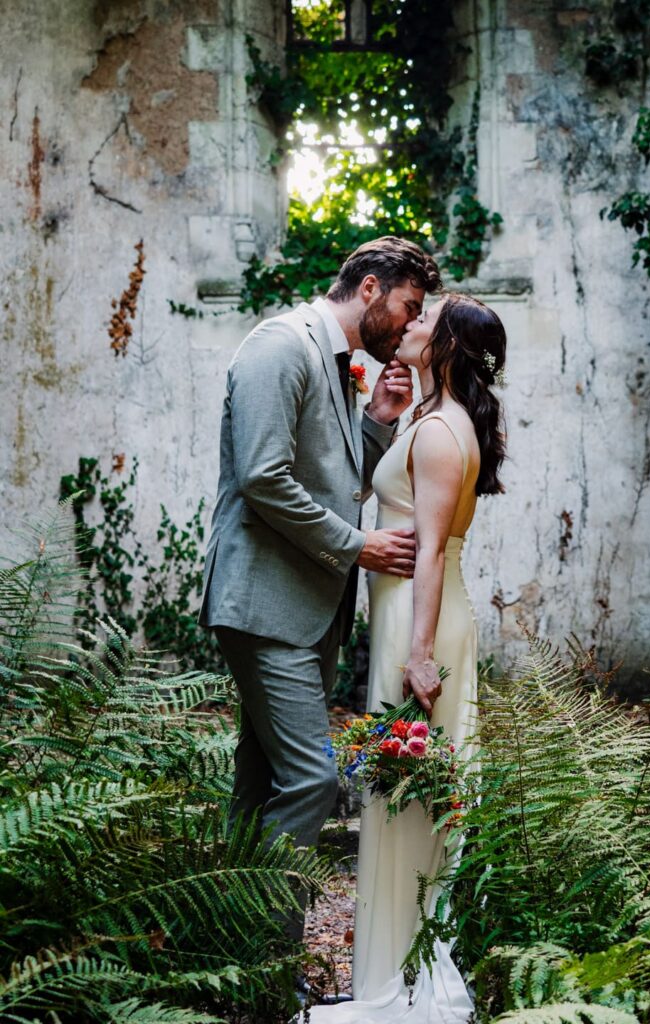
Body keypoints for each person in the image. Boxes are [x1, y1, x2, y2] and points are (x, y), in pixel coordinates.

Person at [198, 237, 442, 956]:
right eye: (407, 306)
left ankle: (223, 958)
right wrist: (358, 546)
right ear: (369, 288)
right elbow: (264, 478)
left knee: (261, 780)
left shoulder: (339, 365)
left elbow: (334, 480)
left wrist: (377, 419)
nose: (409, 323)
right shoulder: (281, 346)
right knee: (311, 778)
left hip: (300, 607)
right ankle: (268, 961)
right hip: (263, 601)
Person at [306, 293, 507, 1022]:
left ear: (447, 346)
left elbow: (424, 556)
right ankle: (396, 964)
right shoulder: (427, 422)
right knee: (402, 795)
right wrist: (386, 420)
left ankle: (405, 978)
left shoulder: (441, 434)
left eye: (426, 320)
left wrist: (419, 655)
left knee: (411, 796)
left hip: (422, 626)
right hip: (408, 618)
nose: (411, 324)